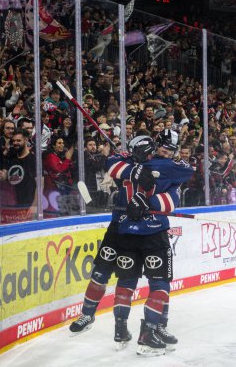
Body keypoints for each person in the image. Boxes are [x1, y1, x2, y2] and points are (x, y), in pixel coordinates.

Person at [70, 136, 193, 356]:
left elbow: (174, 195)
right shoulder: (130, 161)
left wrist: (150, 202)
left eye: (169, 152)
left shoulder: (167, 167)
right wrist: (135, 171)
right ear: (153, 149)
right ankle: (115, 325)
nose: (166, 154)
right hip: (123, 228)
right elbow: (112, 164)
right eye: (163, 150)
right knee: (120, 277)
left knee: (160, 281)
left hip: (152, 231)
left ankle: (157, 328)